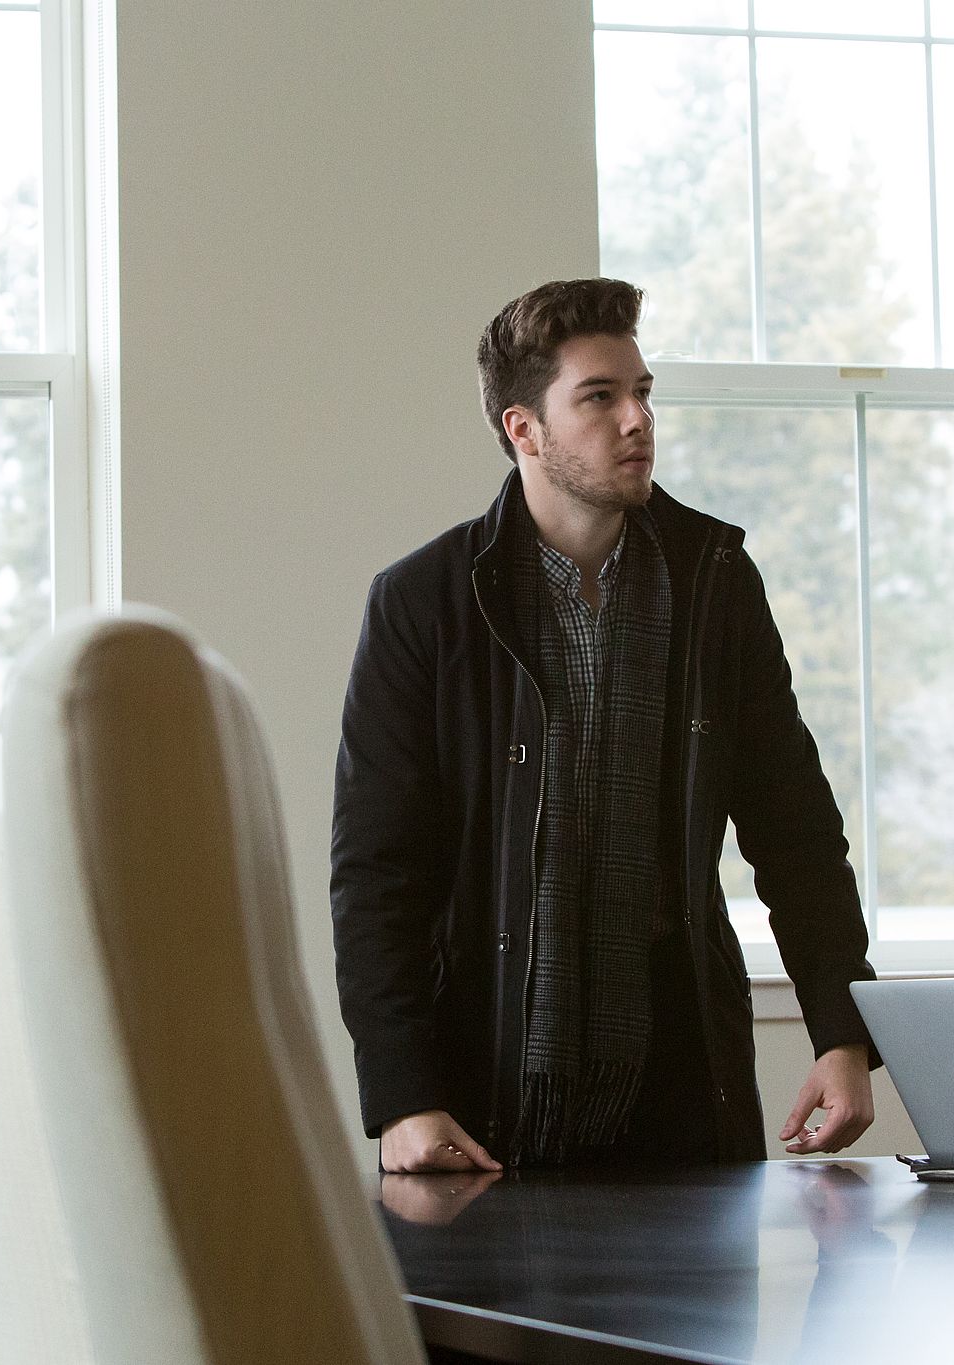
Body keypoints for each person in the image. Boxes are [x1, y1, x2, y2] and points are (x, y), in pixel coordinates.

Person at [331, 277, 878, 1172]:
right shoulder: (422, 603)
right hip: (485, 1101)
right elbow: (377, 877)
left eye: (643, 392)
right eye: (600, 397)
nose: (637, 420)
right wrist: (404, 1097)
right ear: (524, 429)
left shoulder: (714, 581)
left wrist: (844, 1033)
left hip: (683, 1088)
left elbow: (796, 830)